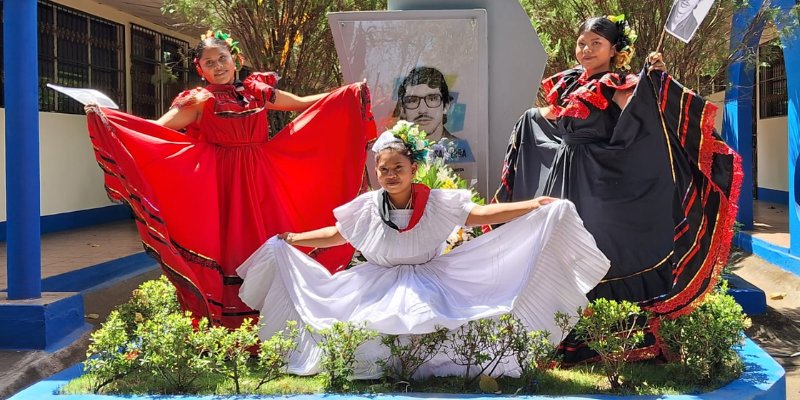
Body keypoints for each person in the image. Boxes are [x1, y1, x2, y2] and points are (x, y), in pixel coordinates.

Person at [237, 128, 611, 378]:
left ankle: (430, 371)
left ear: (414, 168)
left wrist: (531, 206)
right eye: (383, 170)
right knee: (369, 326)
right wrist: (296, 238)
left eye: (397, 168)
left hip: (430, 275)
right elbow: (337, 235)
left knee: (435, 323)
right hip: (378, 279)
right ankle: (382, 370)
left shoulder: (436, 202)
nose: (390, 175)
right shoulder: (368, 206)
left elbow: (479, 215)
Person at [84, 30, 377, 330]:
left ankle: (280, 315)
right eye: (209, 62)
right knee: (230, 245)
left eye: (222, 58)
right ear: (200, 69)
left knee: (272, 237)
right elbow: (155, 130)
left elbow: (302, 104)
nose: (218, 66)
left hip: (263, 179)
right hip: (222, 184)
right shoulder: (198, 101)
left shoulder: (257, 91)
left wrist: (348, 93)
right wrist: (109, 120)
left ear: (235, 60)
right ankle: (229, 324)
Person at [492, 15, 741, 362]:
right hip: (564, 179)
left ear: (613, 50)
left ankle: (609, 336)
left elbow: (642, 118)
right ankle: (558, 330)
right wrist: (528, 121)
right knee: (559, 248)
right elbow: (549, 116)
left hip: (600, 186)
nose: (587, 49)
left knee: (600, 248)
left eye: (596, 43)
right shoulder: (567, 83)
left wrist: (653, 81)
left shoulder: (618, 83)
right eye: (583, 43)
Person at [393, 66, 474, 164]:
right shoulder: (394, 153)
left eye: (432, 99)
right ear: (403, 110)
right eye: (412, 100)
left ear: (446, 106)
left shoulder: (459, 148)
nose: (422, 110)